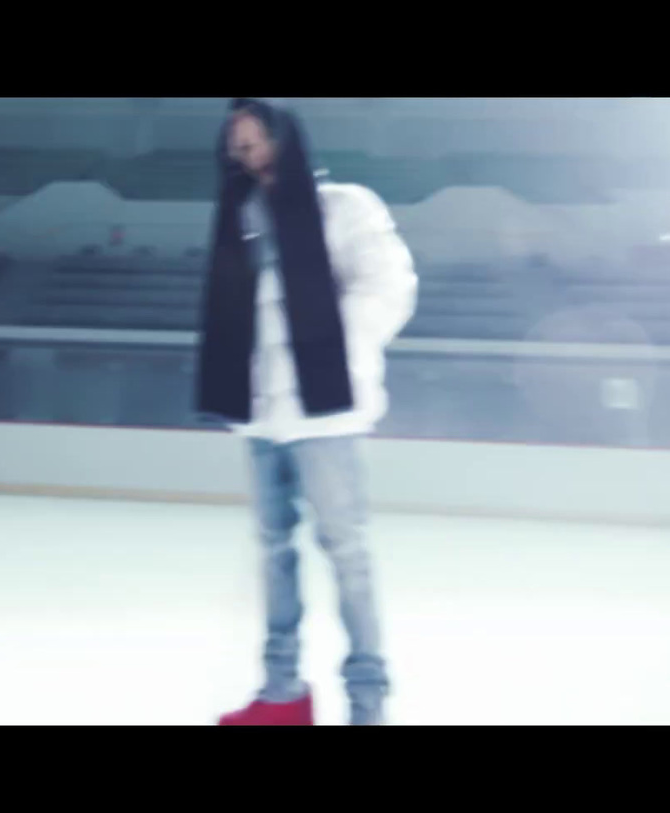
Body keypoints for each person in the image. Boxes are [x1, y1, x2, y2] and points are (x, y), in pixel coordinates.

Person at [197, 99, 418, 726]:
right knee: (274, 550)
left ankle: (367, 703)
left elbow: (390, 286)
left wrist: (329, 349)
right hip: (263, 417)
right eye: (237, 146)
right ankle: (282, 693)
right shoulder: (239, 217)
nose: (250, 154)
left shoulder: (344, 206)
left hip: (326, 415)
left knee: (345, 553)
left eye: (257, 140)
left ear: (285, 139)